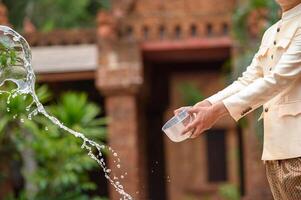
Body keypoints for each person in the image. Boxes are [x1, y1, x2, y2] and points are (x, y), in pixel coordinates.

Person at [175, 1, 301, 199]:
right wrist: (207, 104)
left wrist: (217, 111)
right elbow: (249, 79)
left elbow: (278, 80)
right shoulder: (271, 32)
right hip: (277, 153)